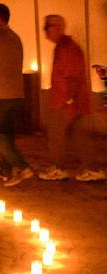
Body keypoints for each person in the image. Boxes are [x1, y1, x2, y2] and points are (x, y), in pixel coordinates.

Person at [0, 3, 33, 188]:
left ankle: (22, 166)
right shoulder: (15, 38)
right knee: (7, 133)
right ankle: (6, 170)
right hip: (17, 91)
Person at [38, 15, 98, 181]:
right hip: (70, 101)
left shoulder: (66, 49)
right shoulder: (66, 47)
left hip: (64, 102)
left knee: (56, 133)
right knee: (79, 134)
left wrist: (68, 101)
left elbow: (70, 77)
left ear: (58, 28)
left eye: (47, 27)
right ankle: (89, 168)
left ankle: (58, 167)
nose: (45, 32)